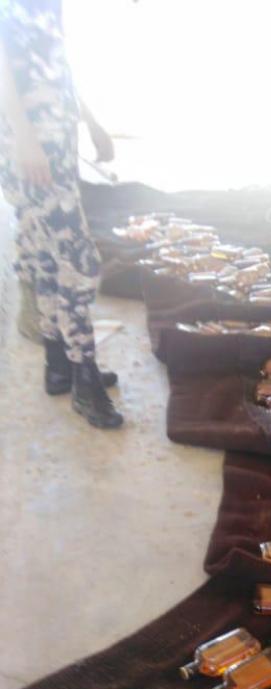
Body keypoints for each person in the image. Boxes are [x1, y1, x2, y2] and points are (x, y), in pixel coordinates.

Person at [0, 0, 123, 428]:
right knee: (79, 259)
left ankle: (58, 364)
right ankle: (84, 377)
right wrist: (23, 138)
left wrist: (91, 121)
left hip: (56, 137)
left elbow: (54, 62)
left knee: (47, 254)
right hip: (31, 145)